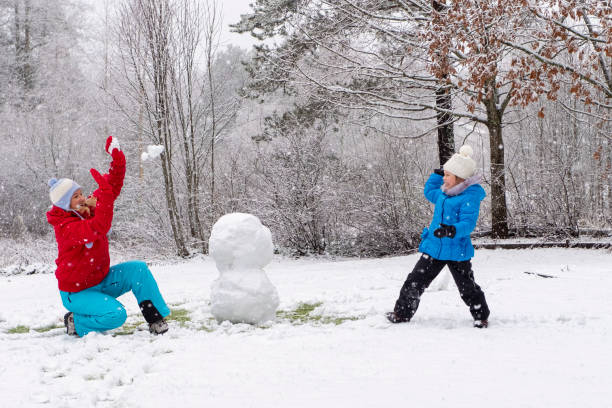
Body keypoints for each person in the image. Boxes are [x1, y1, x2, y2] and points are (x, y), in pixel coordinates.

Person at [46, 136, 170, 336]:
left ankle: (155, 318)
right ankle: (75, 321)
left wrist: (118, 161)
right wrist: (104, 194)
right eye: (75, 196)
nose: (82, 197)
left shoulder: (86, 209)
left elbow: (110, 187)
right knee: (116, 315)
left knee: (138, 269)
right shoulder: (66, 227)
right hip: (77, 293)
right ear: (64, 204)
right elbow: (98, 228)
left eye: (81, 193)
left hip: (100, 280)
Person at [387, 145, 490, 328]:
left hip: (457, 250)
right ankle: (402, 313)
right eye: (445, 174)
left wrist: (451, 230)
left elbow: (468, 224)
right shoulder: (443, 194)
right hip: (434, 247)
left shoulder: (469, 197)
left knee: (467, 287)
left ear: (460, 178)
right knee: (414, 282)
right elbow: (429, 191)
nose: (444, 178)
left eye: (448, 175)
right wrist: (437, 174)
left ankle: (480, 315)